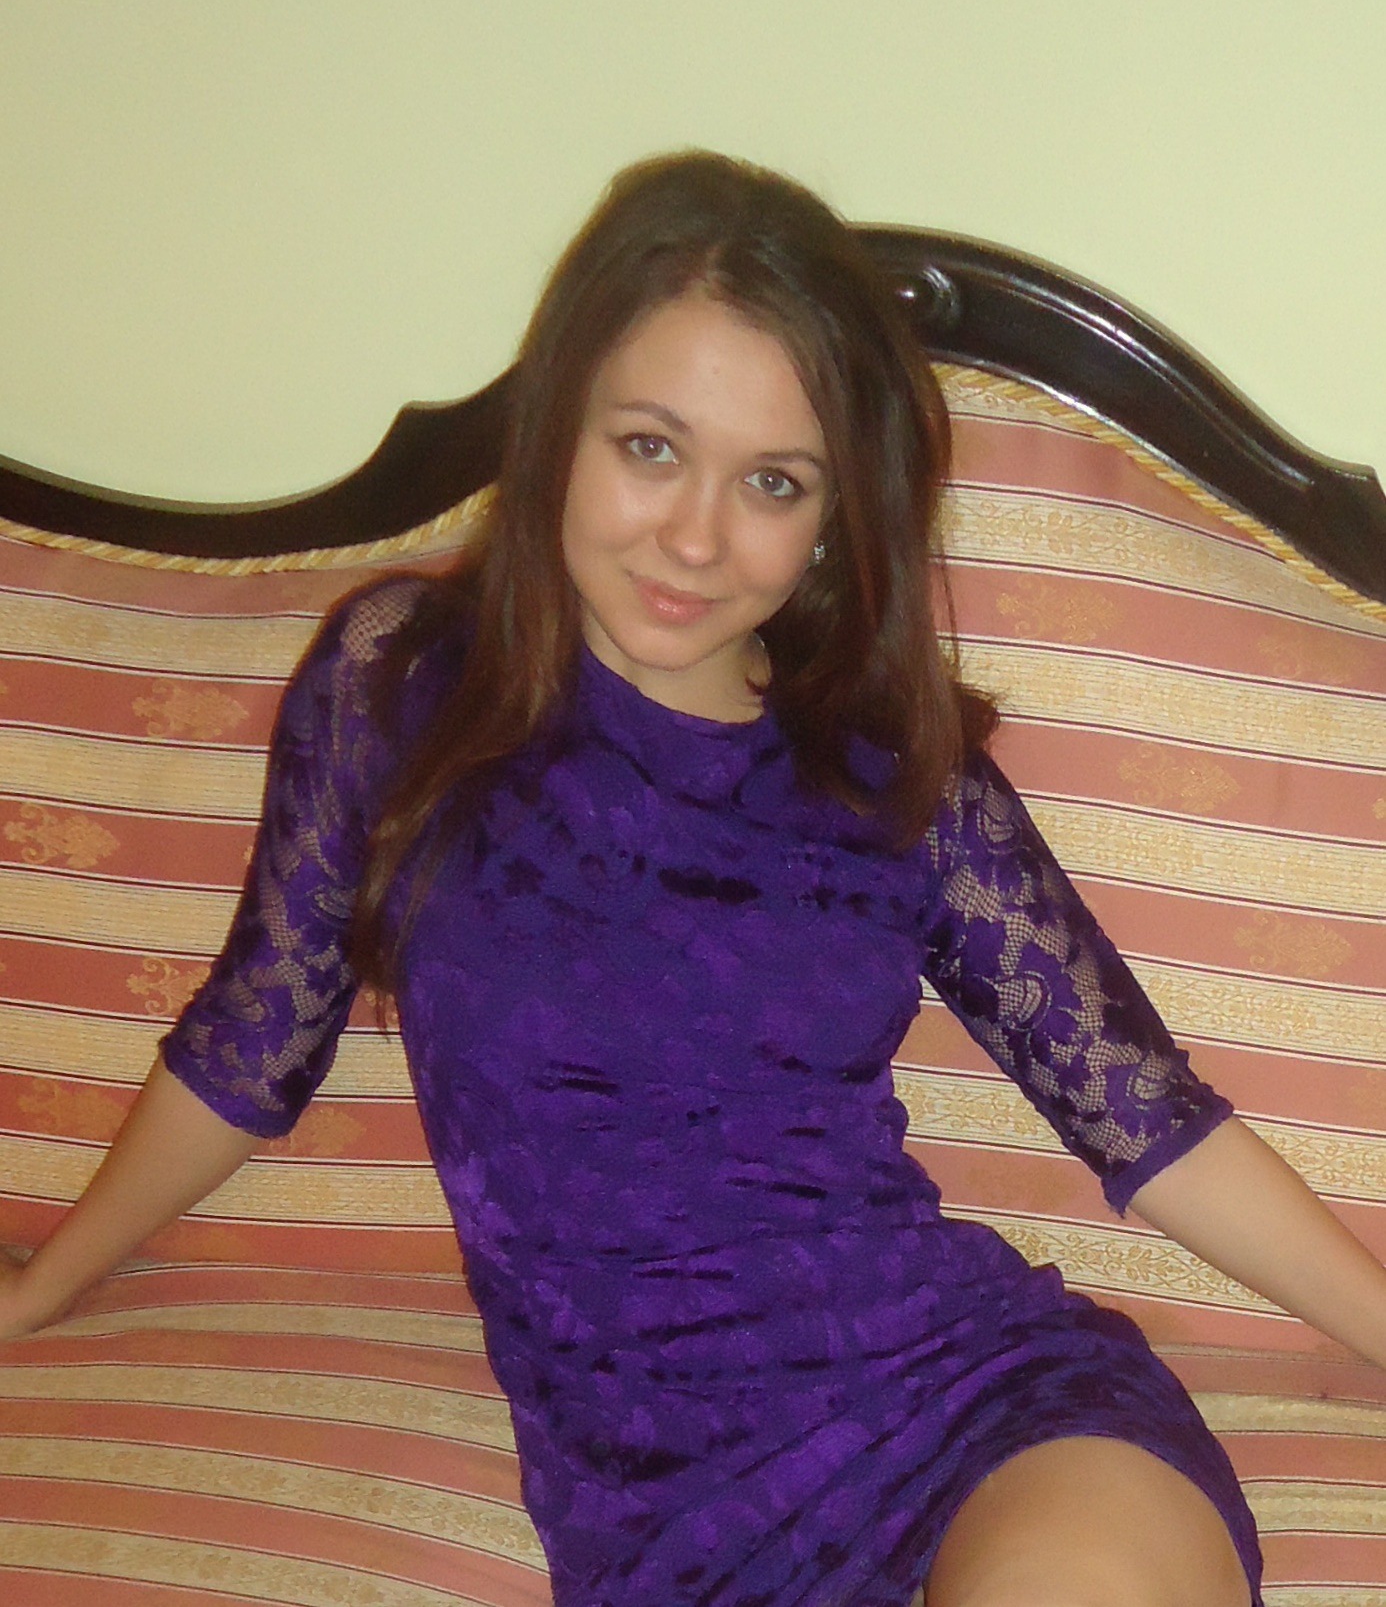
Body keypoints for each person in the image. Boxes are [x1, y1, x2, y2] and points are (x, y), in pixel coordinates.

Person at [2, 152, 1383, 1607]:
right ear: (559, 430)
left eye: (771, 482)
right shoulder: (398, 686)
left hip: (990, 1413)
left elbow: (1144, 1115)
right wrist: (49, 1281)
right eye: (650, 448)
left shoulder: (889, 776)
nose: (695, 537)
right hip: (666, 1500)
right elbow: (257, 1034)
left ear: (831, 515)